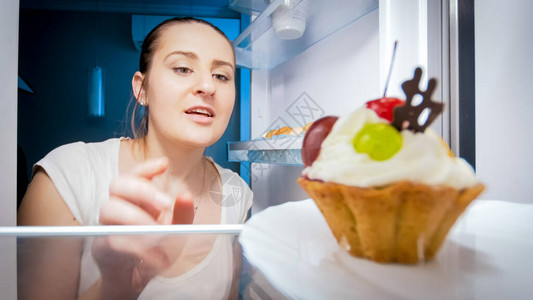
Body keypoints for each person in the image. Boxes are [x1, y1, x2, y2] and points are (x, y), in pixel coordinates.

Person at [17, 17, 253, 299]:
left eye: (221, 76)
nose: (207, 86)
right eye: (183, 68)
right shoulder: (69, 174)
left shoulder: (236, 194)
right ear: (142, 89)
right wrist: (117, 286)